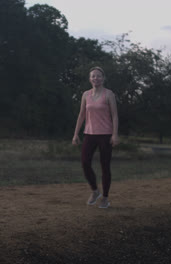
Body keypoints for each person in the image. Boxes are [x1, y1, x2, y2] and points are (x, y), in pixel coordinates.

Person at [72, 66, 119, 208]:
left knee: (105, 167)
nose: (95, 78)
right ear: (89, 78)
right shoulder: (86, 95)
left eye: (98, 76)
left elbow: (115, 115)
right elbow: (81, 115)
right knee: (85, 163)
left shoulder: (109, 94)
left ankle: (105, 197)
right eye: (93, 76)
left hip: (105, 135)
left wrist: (115, 134)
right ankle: (95, 190)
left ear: (103, 78)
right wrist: (75, 134)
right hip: (89, 134)